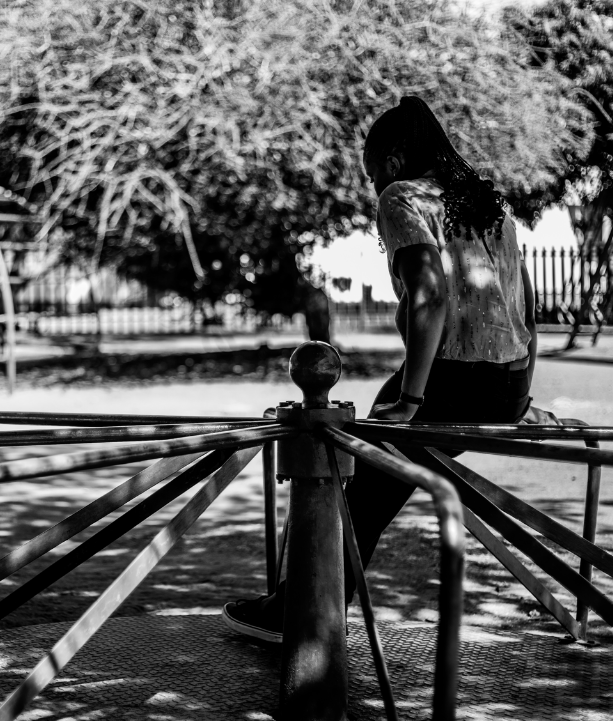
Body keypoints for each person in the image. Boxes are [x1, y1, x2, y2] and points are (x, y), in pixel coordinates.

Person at [223, 96, 539, 642]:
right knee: (372, 475)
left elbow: (429, 295)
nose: (373, 189)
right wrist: (522, 394)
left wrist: (412, 400)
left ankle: (300, 615)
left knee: (353, 478)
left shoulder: (402, 198)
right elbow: (526, 306)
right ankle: (303, 605)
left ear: (392, 162)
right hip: (508, 386)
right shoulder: (489, 202)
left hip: (454, 385)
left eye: (372, 176)